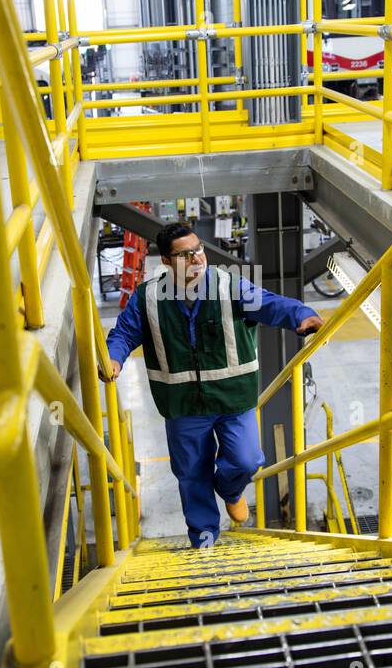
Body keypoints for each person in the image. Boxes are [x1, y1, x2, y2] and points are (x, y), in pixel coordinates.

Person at [104, 221, 324, 547]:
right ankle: (204, 539)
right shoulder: (148, 298)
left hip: (233, 399)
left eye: (198, 250)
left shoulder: (228, 287)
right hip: (183, 405)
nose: (196, 259)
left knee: (247, 459)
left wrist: (299, 314)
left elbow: (268, 303)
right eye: (184, 255)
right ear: (165, 262)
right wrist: (114, 357)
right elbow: (123, 333)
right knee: (192, 475)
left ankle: (231, 490)